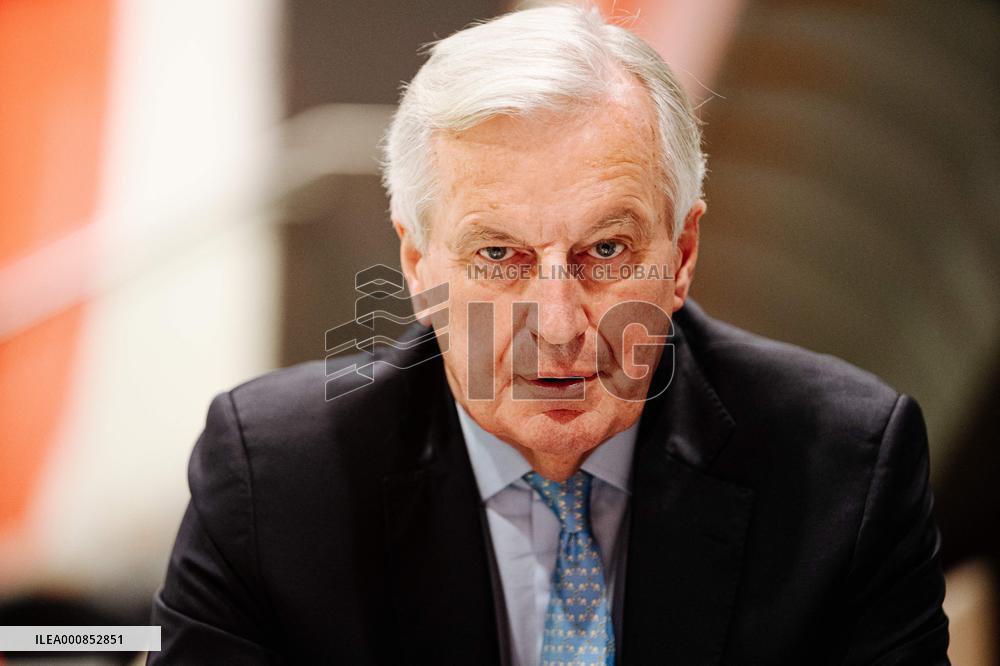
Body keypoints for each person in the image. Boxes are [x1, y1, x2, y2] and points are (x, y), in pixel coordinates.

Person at [149, 5, 949, 664]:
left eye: (607, 251)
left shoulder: (846, 467)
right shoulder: (275, 479)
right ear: (421, 266)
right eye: (499, 256)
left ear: (684, 255)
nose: (559, 326)